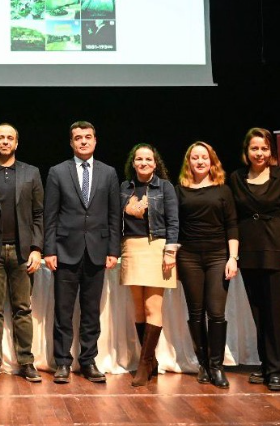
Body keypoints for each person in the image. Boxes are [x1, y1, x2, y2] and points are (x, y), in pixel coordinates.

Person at [44, 121, 121, 384]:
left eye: (88, 137)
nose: (83, 142)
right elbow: (50, 215)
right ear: (71, 143)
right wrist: (49, 250)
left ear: (96, 140)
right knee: (63, 311)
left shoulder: (109, 173)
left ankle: (88, 361)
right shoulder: (57, 172)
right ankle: (63, 362)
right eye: (78, 138)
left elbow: (113, 215)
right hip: (65, 251)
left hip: (97, 252)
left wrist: (113, 249)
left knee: (90, 312)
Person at [229, 128, 280, 392]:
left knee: (276, 313)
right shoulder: (236, 178)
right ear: (246, 151)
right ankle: (266, 364)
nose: (259, 153)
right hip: (249, 253)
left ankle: (279, 371)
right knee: (259, 313)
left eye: (264, 148)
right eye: (254, 148)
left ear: (270, 151)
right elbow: (233, 219)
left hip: (278, 251)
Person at [0, 123, 44, 384]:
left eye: (9, 138)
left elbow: (38, 214)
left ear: (16, 143)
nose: (4, 142)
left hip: (23, 252)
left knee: (23, 309)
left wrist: (37, 248)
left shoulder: (31, 173)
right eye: (0, 138)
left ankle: (26, 362)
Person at [175, 141, 239, 388]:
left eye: (204, 157)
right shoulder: (180, 189)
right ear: (188, 162)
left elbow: (232, 225)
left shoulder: (223, 190)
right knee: (195, 312)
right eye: (195, 157)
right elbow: (175, 225)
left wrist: (232, 257)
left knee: (216, 312)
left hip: (217, 256)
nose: (200, 161)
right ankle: (202, 363)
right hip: (189, 256)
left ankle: (217, 365)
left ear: (212, 161)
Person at [119, 143, 178, 387]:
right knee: (138, 309)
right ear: (133, 163)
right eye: (139, 159)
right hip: (131, 247)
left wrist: (170, 251)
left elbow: (174, 221)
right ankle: (150, 359)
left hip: (157, 247)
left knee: (153, 306)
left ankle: (143, 365)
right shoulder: (124, 188)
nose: (143, 163)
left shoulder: (165, 187)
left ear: (155, 163)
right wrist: (127, 208)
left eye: (148, 159)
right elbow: (114, 217)